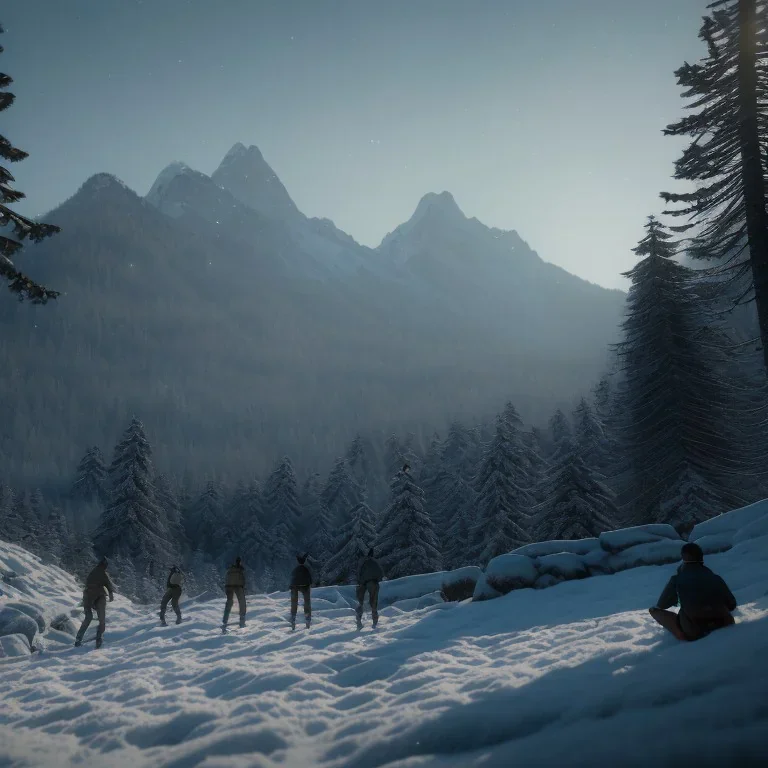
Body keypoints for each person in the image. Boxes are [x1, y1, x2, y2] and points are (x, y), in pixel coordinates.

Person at [649, 542, 737, 642]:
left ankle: (682, 637)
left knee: (654, 610)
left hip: (695, 631)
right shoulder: (715, 577)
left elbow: (662, 604)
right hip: (725, 624)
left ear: (684, 558)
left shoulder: (677, 579)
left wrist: (679, 598)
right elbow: (732, 604)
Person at [74, 557, 115, 649]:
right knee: (101, 619)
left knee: (88, 618)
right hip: (97, 596)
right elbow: (108, 585)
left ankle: (78, 639)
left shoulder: (93, 572)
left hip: (89, 596)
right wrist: (111, 594)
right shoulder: (103, 573)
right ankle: (98, 639)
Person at [356, 548, 384, 629]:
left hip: (362, 584)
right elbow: (380, 573)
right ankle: (375, 622)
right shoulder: (375, 562)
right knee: (374, 603)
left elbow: (358, 574)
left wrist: (360, 583)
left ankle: (359, 621)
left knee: (360, 603)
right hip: (373, 583)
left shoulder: (361, 562)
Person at [222, 556, 246, 630]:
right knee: (242, 602)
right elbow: (242, 579)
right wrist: (243, 587)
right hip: (238, 586)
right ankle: (242, 618)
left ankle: (225, 619)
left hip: (228, 586)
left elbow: (227, 578)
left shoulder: (230, 570)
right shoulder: (240, 569)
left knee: (229, 602)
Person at [289, 553, 312, 630]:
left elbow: (291, 578)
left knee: (294, 603)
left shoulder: (295, 569)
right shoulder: (306, 569)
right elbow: (310, 580)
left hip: (295, 586)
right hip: (306, 586)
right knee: (307, 602)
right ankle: (307, 620)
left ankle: (293, 618)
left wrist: (291, 586)